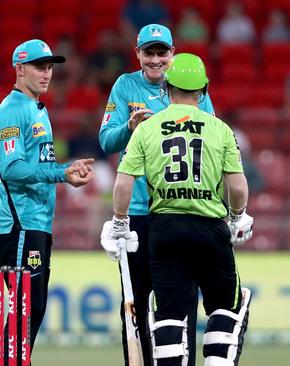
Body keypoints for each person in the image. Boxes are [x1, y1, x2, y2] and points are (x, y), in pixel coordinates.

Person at [101, 53, 254, 366]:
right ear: (204, 89)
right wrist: (238, 217)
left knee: (169, 314)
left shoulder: (146, 128)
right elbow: (237, 186)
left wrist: (118, 222)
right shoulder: (220, 129)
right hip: (209, 228)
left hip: (164, 229)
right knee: (226, 307)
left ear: (168, 87)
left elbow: (123, 182)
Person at [98, 24, 215, 366]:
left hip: (178, 208)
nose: (155, 60)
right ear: (137, 54)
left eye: (161, 52)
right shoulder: (125, 85)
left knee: (180, 302)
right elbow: (107, 141)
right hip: (135, 213)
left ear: (172, 54)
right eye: (148, 52)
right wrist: (130, 127)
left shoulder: (191, 87)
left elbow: (212, 138)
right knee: (135, 304)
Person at [0, 39, 95, 364]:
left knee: (33, 307)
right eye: (39, 66)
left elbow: (39, 164)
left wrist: (66, 171)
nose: (47, 73)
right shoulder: (11, 111)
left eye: (50, 67)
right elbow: (12, 167)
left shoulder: (36, 109)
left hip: (35, 221)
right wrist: (62, 173)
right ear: (19, 69)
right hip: (19, 223)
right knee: (24, 307)